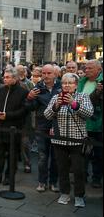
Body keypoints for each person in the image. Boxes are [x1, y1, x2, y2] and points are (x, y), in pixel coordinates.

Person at [44, 73, 94, 208]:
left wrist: (74, 104)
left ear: (76, 85)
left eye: (70, 83)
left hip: (77, 140)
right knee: (62, 169)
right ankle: (64, 193)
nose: (66, 85)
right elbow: (47, 115)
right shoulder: (56, 97)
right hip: (59, 140)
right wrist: (56, 106)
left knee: (79, 170)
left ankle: (79, 195)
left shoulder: (83, 97)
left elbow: (89, 113)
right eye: (64, 83)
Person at [0, 68, 28, 185]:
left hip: (13, 128)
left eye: (8, 77)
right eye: (4, 77)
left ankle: (9, 176)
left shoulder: (22, 92)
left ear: (15, 78)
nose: (5, 79)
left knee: (12, 156)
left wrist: (8, 115)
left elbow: (24, 110)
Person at [26, 64, 62, 192]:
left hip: (58, 125)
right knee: (42, 156)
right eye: (44, 73)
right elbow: (31, 107)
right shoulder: (38, 87)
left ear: (55, 74)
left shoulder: (61, 86)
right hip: (42, 125)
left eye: (49, 73)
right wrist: (29, 98)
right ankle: (42, 181)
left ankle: (53, 182)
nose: (46, 76)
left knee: (56, 156)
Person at [77, 60, 103, 189]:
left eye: (90, 68)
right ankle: (82, 176)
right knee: (82, 152)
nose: (86, 70)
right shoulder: (82, 81)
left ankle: (96, 178)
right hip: (83, 122)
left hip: (98, 123)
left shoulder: (101, 83)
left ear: (99, 70)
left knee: (98, 153)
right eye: (85, 68)